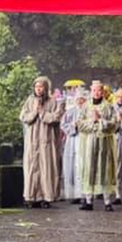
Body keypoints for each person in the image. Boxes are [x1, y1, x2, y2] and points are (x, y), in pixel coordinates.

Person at [19, 76, 65, 209]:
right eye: (36, 87)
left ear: (46, 88)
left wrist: (43, 113)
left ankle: (46, 197)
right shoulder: (29, 100)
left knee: (47, 167)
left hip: (46, 140)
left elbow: (57, 117)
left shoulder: (53, 101)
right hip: (33, 140)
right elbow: (23, 116)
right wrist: (34, 112)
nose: (39, 89)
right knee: (32, 167)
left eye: (41, 87)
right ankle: (31, 197)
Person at [77, 80, 118, 211]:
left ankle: (107, 202)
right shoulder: (85, 107)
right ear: (91, 91)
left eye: (99, 90)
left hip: (104, 143)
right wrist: (92, 121)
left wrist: (100, 120)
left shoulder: (109, 106)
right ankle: (88, 201)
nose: (96, 93)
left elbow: (114, 124)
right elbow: (79, 124)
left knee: (104, 169)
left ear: (103, 92)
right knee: (89, 169)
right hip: (89, 142)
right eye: (94, 90)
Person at [60, 88, 86, 203]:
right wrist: (72, 126)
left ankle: (83, 194)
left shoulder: (88, 111)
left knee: (82, 167)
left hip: (84, 140)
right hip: (72, 140)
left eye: (82, 99)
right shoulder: (70, 112)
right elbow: (63, 124)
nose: (80, 101)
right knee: (71, 167)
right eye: (78, 99)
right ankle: (73, 194)